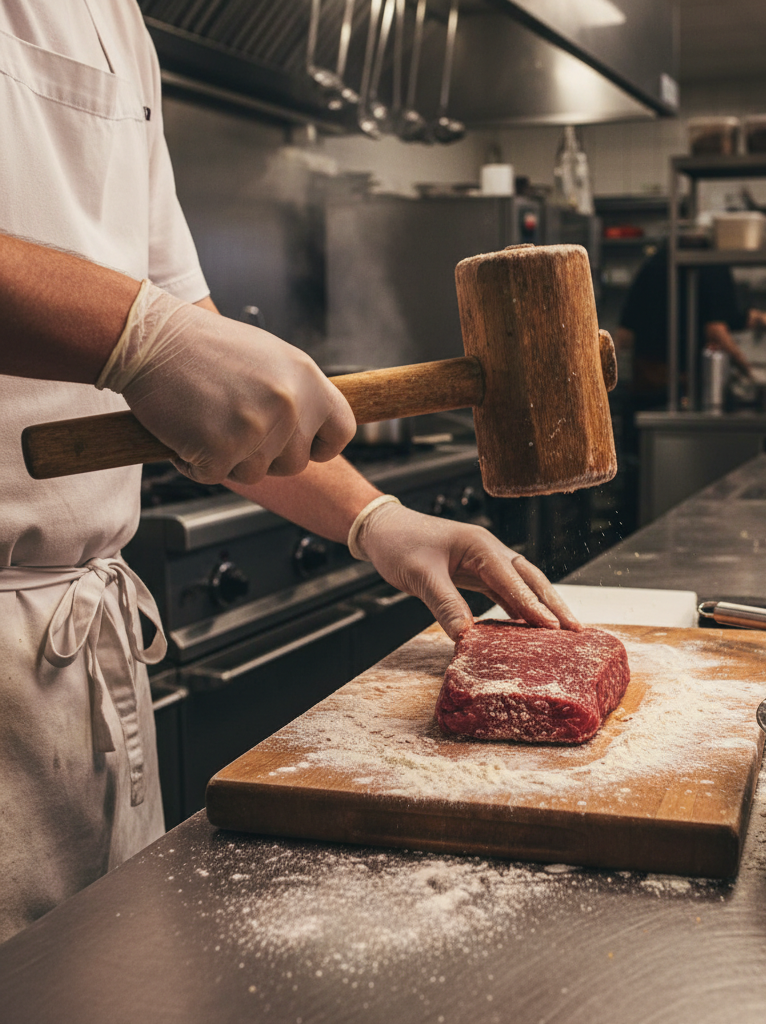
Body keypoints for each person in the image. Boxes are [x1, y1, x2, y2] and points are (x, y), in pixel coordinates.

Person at [0, 1, 577, 944]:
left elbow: (215, 383)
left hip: (78, 665)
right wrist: (135, 335)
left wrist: (376, 518)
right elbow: (155, 338)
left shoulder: (116, 21)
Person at [613, 245, 766, 405]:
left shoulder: (654, 264)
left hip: (643, 385)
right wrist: (749, 373)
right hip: (677, 389)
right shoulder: (712, 263)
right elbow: (716, 330)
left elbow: (624, 336)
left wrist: (762, 319)